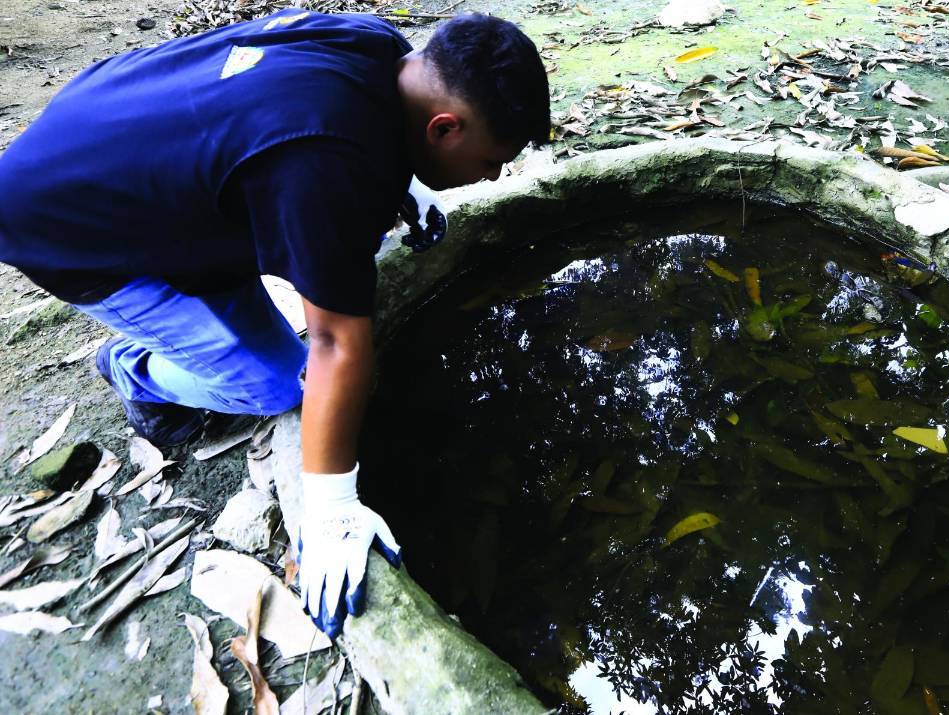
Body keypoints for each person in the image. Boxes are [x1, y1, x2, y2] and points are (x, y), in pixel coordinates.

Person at [0, 9, 550, 638]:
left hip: (108, 133)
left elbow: (286, 123)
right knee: (280, 384)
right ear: (444, 128)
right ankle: (137, 371)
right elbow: (336, 342)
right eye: (493, 160)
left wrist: (402, 186)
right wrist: (331, 511)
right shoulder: (327, 163)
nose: (493, 177)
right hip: (75, 232)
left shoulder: (383, 49)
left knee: (356, 226)